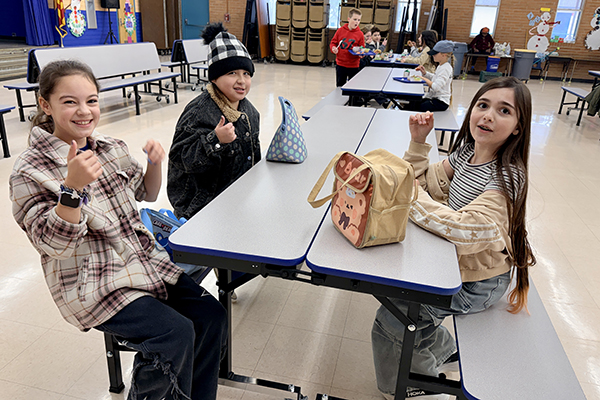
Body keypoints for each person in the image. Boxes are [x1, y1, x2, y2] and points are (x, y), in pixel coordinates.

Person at [9, 59, 228, 400]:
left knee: (211, 315)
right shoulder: (30, 169)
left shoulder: (110, 148)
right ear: (44, 104)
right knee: (174, 333)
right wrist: (71, 189)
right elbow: (53, 245)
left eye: (91, 100)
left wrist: (156, 164)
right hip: (93, 282)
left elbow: (148, 193)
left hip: (144, 263)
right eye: (70, 101)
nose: (84, 111)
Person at [371, 76, 536, 400]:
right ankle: (442, 349)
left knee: (394, 318)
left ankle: (413, 386)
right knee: (399, 295)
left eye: (504, 111)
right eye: (483, 105)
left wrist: (414, 199)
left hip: (479, 282)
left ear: (518, 126)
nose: (488, 115)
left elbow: (466, 230)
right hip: (457, 265)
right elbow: (420, 180)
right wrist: (418, 142)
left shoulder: (508, 176)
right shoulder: (466, 153)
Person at [168, 22, 261, 221]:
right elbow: (179, 157)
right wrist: (215, 139)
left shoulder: (250, 112)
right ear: (214, 78)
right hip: (200, 205)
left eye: (246, 73)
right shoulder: (199, 112)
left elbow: (253, 153)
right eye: (231, 73)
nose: (241, 80)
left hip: (235, 197)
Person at [404, 40, 454, 112]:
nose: (433, 55)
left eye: (435, 54)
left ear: (444, 55)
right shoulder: (441, 66)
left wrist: (423, 78)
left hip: (440, 102)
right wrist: (425, 73)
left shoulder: (445, 68)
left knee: (416, 107)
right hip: (435, 98)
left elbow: (435, 87)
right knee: (413, 102)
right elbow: (435, 78)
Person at [330, 8, 365, 87]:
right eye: (355, 19)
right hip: (340, 64)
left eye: (359, 20)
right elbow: (333, 43)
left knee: (353, 87)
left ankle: (352, 99)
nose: (357, 22)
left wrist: (361, 54)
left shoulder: (360, 34)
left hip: (354, 65)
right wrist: (333, 48)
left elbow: (362, 48)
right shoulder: (340, 31)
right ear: (349, 19)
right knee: (340, 86)